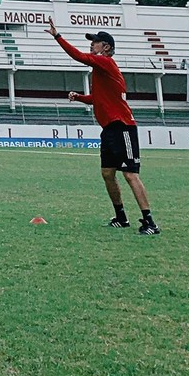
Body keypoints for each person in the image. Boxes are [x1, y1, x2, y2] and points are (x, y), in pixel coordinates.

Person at [45, 18, 160, 234]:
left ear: (105, 47)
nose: (92, 44)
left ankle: (150, 222)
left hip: (123, 127)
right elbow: (98, 98)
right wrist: (79, 97)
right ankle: (121, 217)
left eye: (95, 42)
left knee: (130, 174)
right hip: (109, 129)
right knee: (108, 173)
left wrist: (57, 36)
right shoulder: (100, 70)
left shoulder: (105, 63)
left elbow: (78, 56)